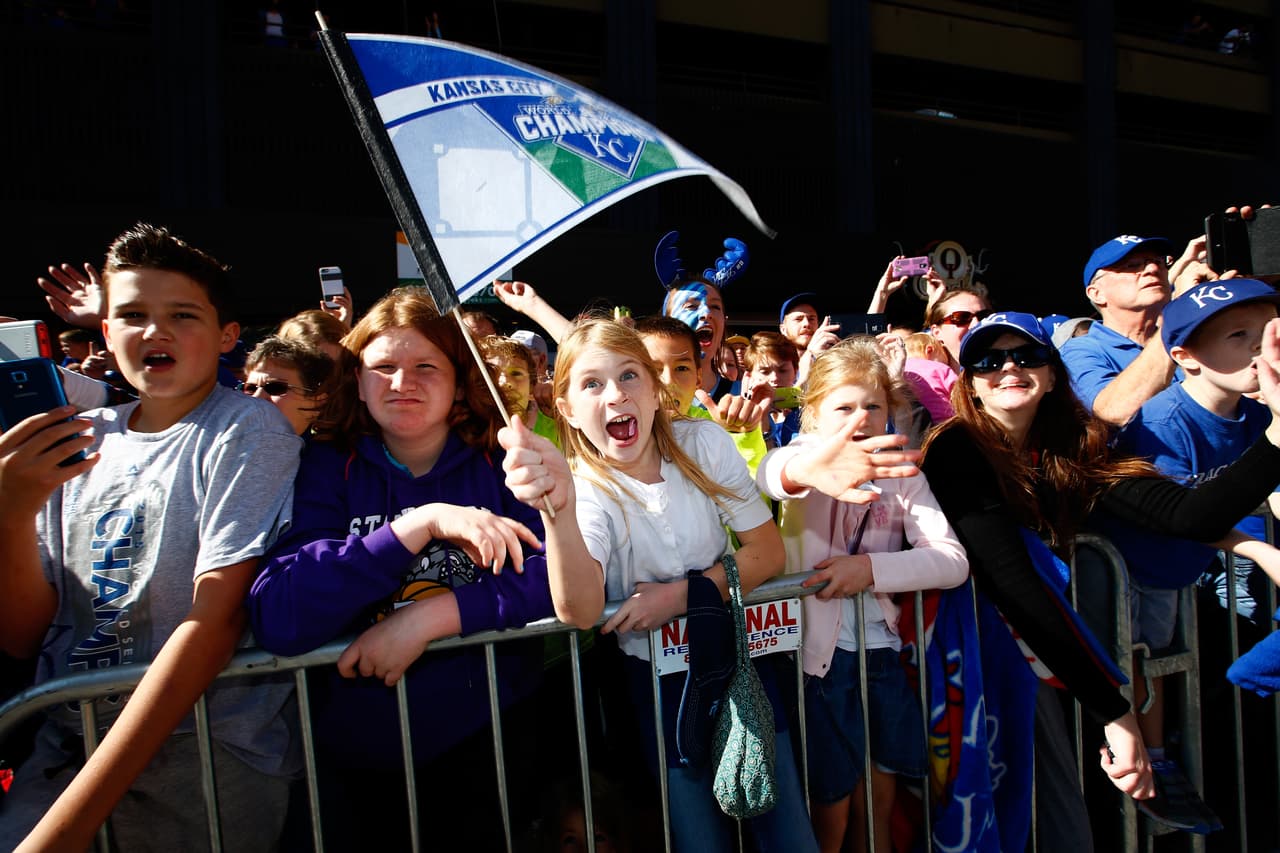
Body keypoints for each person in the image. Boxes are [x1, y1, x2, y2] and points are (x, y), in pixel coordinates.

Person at [920, 311, 1280, 849]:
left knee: (1053, 814)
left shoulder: (1068, 445)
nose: (1009, 368)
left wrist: (1276, 434)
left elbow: (1185, 515)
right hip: (957, 658)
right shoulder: (956, 451)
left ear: (1052, 370)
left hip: (1033, 658)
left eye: (1026, 355)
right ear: (969, 380)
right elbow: (1018, 586)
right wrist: (1117, 713)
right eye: (987, 360)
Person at [0, 222, 302, 852]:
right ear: (106, 334)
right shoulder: (77, 436)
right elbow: (27, 631)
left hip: (202, 760)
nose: (155, 332)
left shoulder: (247, 430)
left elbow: (213, 620)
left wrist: (71, 821)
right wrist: (12, 508)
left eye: (182, 315)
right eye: (132, 315)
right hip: (64, 747)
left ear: (226, 337)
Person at [247, 286, 554, 850]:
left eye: (425, 367)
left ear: (460, 379)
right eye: (382, 366)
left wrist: (431, 619)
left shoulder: (503, 458)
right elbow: (280, 613)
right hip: (354, 756)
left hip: (485, 742)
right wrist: (419, 525)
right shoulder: (323, 466)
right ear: (357, 381)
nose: (402, 382)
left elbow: (556, 578)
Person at [497, 319, 818, 852]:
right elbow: (578, 609)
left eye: (629, 376)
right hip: (659, 688)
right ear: (567, 407)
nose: (616, 394)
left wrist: (684, 596)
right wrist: (556, 513)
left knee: (786, 832)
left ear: (652, 388)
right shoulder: (584, 489)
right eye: (592, 383)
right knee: (699, 840)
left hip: (742, 664)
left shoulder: (704, 444)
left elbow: (768, 552)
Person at [755, 337, 968, 853]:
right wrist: (802, 471)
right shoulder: (803, 456)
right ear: (813, 412)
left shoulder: (904, 473)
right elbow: (771, 475)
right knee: (831, 801)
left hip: (881, 653)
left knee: (882, 791)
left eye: (873, 405)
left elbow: (952, 560)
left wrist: (869, 569)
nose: (860, 418)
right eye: (844, 407)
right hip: (815, 661)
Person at [1101, 279, 1280, 832]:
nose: (1257, 349)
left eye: (1266, 333)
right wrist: (1261, 552)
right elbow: (1184, 513)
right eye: (1237, 335)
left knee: (1160, 665)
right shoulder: (1161, 424)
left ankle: (1163, 769)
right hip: (1134, 571)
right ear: (1184, 357)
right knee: (1137, 666)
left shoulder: (1256, 416)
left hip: (1179, 573)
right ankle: (1151, 782)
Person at [240, 335, 332, 436]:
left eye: (275, 388)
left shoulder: (334, 451)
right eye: (250, 388)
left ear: (318, 402)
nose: (256, 398)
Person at [481, 333, 558, 444]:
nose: (505, 382)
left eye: (516, 373)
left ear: (532, 386)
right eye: (492, 373)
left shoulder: (558, 430)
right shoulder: (466, 435)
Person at [742, 331, 802, 450]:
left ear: (795, 372)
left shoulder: (811, 414)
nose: (774, 378)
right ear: (748, 376)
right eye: (765, 372)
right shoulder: (739, 416)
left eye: (783, 370)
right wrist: (761, 417)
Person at [923, 282, 992, 373]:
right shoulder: (920, 383)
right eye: (962, 317)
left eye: (983, 316)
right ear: (937, 333)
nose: (976, 324)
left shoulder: (1010, 373)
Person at [902, 330, 957, 422]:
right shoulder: (940, 368)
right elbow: (958, 392)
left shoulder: (902, 371)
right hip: (944, 422)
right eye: (944, 358)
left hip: (911, 424)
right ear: (929, 350)